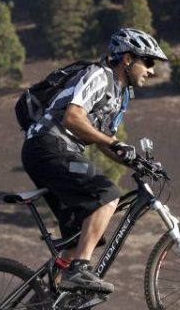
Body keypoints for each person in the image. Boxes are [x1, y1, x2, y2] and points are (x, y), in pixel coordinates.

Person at [21, 28, 166, 293]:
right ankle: (78, 272)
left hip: (56, 151)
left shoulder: (120, 96)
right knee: (107, 195)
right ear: (127, 59)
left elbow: (104, 141)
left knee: (81, 234)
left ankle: (48, 299)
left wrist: (136, 163)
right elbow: (73, 118)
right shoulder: (99, 75)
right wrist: (112, 142)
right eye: (148, 61)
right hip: (47, 146)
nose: (152, 70)